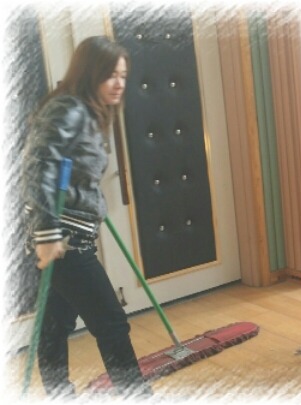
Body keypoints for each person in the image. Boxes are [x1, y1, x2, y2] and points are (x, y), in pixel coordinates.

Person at [21, 35, 153, 400]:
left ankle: (59, 394)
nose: (119, 83)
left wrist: (91, 203)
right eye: (111, 75)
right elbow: (38, 167)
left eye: (123, 75)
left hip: (66, 236)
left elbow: (72, 173)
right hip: (63, 241)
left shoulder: (83, 110)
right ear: (90, 72)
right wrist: (48, 233)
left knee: (56, 323)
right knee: (111, 322)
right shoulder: (70, 109)